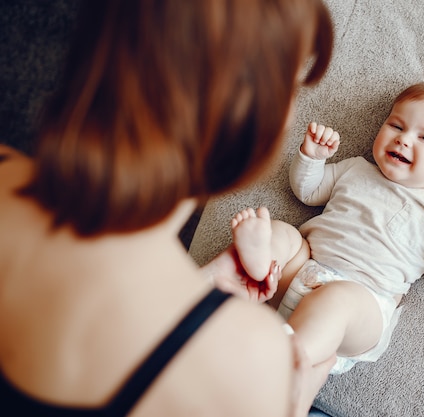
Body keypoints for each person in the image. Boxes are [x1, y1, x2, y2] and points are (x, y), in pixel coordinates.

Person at [0, 0, 335, 416]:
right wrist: (294, 399)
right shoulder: (252, 359)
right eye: (293, 82)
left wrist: (200, 287)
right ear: (251, 119)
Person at [230, 80, 424, 375]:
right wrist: (312, 158)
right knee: (283, 234)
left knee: (337, 300)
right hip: (300, 270)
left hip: (363, 304)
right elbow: (309, 191)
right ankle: (257, 265)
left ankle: (289, 358)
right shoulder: (355, 169)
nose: (404, 140)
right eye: (396, 126)